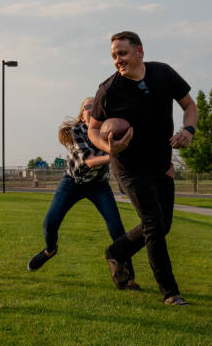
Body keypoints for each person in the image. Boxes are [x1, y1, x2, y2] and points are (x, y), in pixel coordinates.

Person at [88, 31, 198, 306]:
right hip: (129, 168)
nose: (118, 60)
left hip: (161, 165)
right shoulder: (108, 89)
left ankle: (117, 250)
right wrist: (108, 147)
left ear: (139, 51)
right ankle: (170, 292)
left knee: (163, 225)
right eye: (114, 55)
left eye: (122, 53)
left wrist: (189, 130)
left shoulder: (164, 73)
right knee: (153, 224)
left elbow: (189, 106)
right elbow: (93, 129)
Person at [27, 97, 140, 290]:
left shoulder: (109, 132)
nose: (92, 108)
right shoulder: (77, 130)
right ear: (82, 116)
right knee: (50, 223)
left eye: (95, 106)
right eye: (88, 106)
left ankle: (128, 277)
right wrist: (115, 153)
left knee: (116, 228)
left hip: (98, 185)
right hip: (72, 182)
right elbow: (89, 160)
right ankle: (50, 250)